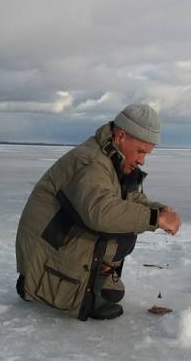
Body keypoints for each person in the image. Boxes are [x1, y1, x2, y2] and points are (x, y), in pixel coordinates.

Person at [15, 103, 181, 321]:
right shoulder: (91, 161)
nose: (141, 160)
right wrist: (155, 219)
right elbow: (100, 212)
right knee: (118, 227)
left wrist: (158, 210)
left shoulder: (112, 159)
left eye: (146, 154)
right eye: (140, 151)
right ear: (121, 136)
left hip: (62, 243)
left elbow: (130, 198)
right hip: (45, 252)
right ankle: (33, 284)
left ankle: (95, 282)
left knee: (114, 286)